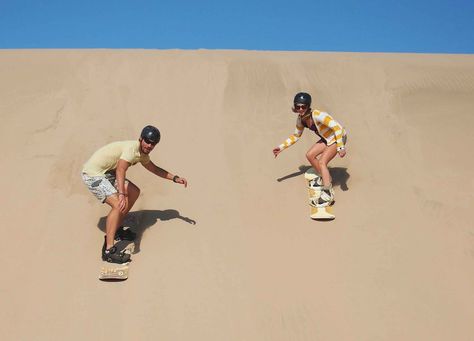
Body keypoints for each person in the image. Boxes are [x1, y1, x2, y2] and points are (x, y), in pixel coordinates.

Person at [81, 125, 188, 263]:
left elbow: (154, 169)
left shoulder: (142, 155)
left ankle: (117, 229)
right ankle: (108, 251)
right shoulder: (132, 150)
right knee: (118, 204)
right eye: (147, 141)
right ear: (141, 139)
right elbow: (120, 170)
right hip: (93, 174)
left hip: (107, 173)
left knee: (134, 192)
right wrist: (121, 194)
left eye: (153, 143)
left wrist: (174, 178)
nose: (149, 145)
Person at [273, 92, 346, 207]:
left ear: (308, 106)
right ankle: (326, 177)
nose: (300, 109)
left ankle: (327, 194)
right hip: (327, 138)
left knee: (322, 162)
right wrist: (281, 147)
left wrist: (341, 147)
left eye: (303, 106)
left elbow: (336, 127)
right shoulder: (301, 119)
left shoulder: (317, 114)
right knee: (310, 155)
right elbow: (296, 136)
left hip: (338, 137)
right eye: (298, 106)